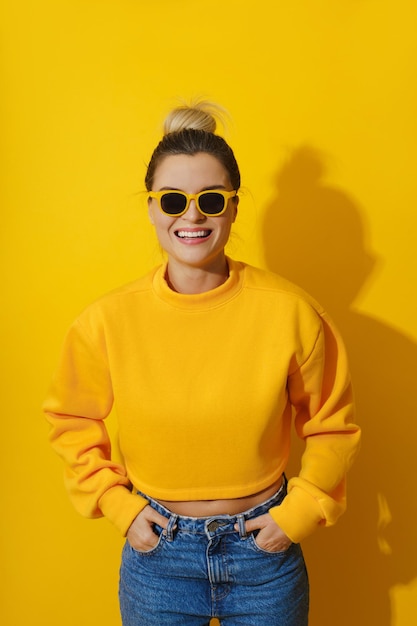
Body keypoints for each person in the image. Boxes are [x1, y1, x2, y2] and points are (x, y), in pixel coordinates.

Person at [43, 100, 361, 626]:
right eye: (173, 200)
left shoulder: (291, 311)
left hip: (265, 554)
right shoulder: (107, 319)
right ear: (150, 207)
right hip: (158, 558)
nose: (192, 216)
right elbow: (70, 420)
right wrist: (119, 506)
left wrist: (298, 514)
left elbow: (333, 425)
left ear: (234, 208)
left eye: (210, 200)